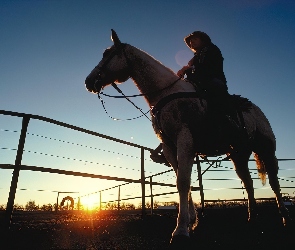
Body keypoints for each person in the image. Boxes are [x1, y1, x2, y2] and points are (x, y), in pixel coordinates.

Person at [150, 31, 234, 164]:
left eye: (194, 39)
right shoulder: (195, 57)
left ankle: (225, 130)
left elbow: (208, 69)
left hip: (213, 82)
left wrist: (187, 70)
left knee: (215, 98)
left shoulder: (211, 50)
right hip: (199, 84)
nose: (191, 43)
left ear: (203, 39)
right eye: (190, 42)